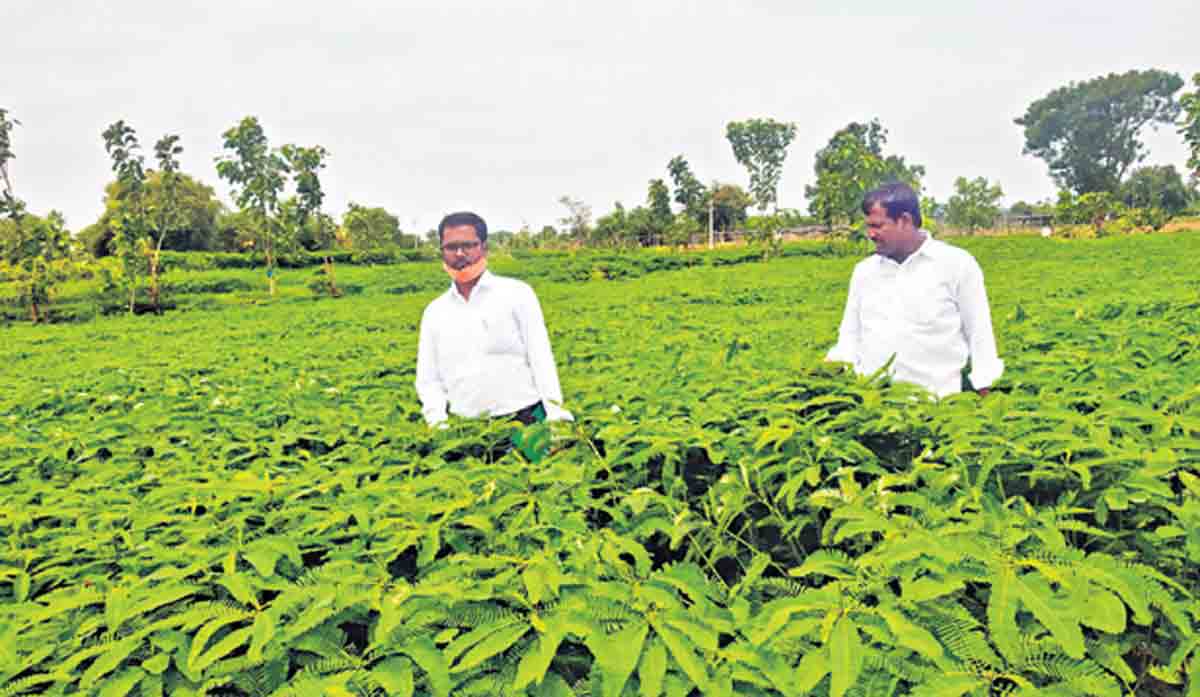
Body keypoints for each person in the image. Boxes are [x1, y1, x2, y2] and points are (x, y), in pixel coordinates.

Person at [826, 182, 1003, 397]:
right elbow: (850, 335)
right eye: (868, 226)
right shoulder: (864, 272)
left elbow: (979, 333)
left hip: (940, 409)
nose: (870, 234)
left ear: (905, 221)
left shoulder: (957, 264)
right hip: (872, 411)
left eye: (878, 225)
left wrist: (986, 395)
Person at [415, 211, 573, 426]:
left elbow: (541, 357)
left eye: (468, 245)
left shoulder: (517, 294)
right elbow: (428, 379)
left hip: (527, 418)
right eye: (451, 247)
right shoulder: (435, 312)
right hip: (467, 428)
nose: (460, 254)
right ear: (442, 251)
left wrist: (556, 414)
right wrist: (438, 423)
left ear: (484, 247)